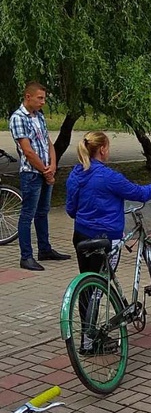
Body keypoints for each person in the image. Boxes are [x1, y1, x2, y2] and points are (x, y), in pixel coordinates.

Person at [65, 131, 151, 277]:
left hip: (81, 234)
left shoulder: (76, 173)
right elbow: (138, 193)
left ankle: (86, 292)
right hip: (106, 237)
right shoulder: (110, 177)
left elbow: (71, 209)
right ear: (102, 149)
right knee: (104, 279)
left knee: (87, 280)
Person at [9, 81, 69, 271]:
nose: (43, 102)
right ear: (28, 97)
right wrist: (45, 171)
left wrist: (53, 165)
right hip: (32, 174)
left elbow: (47, 143)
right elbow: (27, 150)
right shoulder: (18, 118)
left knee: (43, 212)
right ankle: (26, 256)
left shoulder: (39, 116)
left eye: (44, 98)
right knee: (27, 214)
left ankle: (45, 249)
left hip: (45, 171)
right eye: (40, 98)